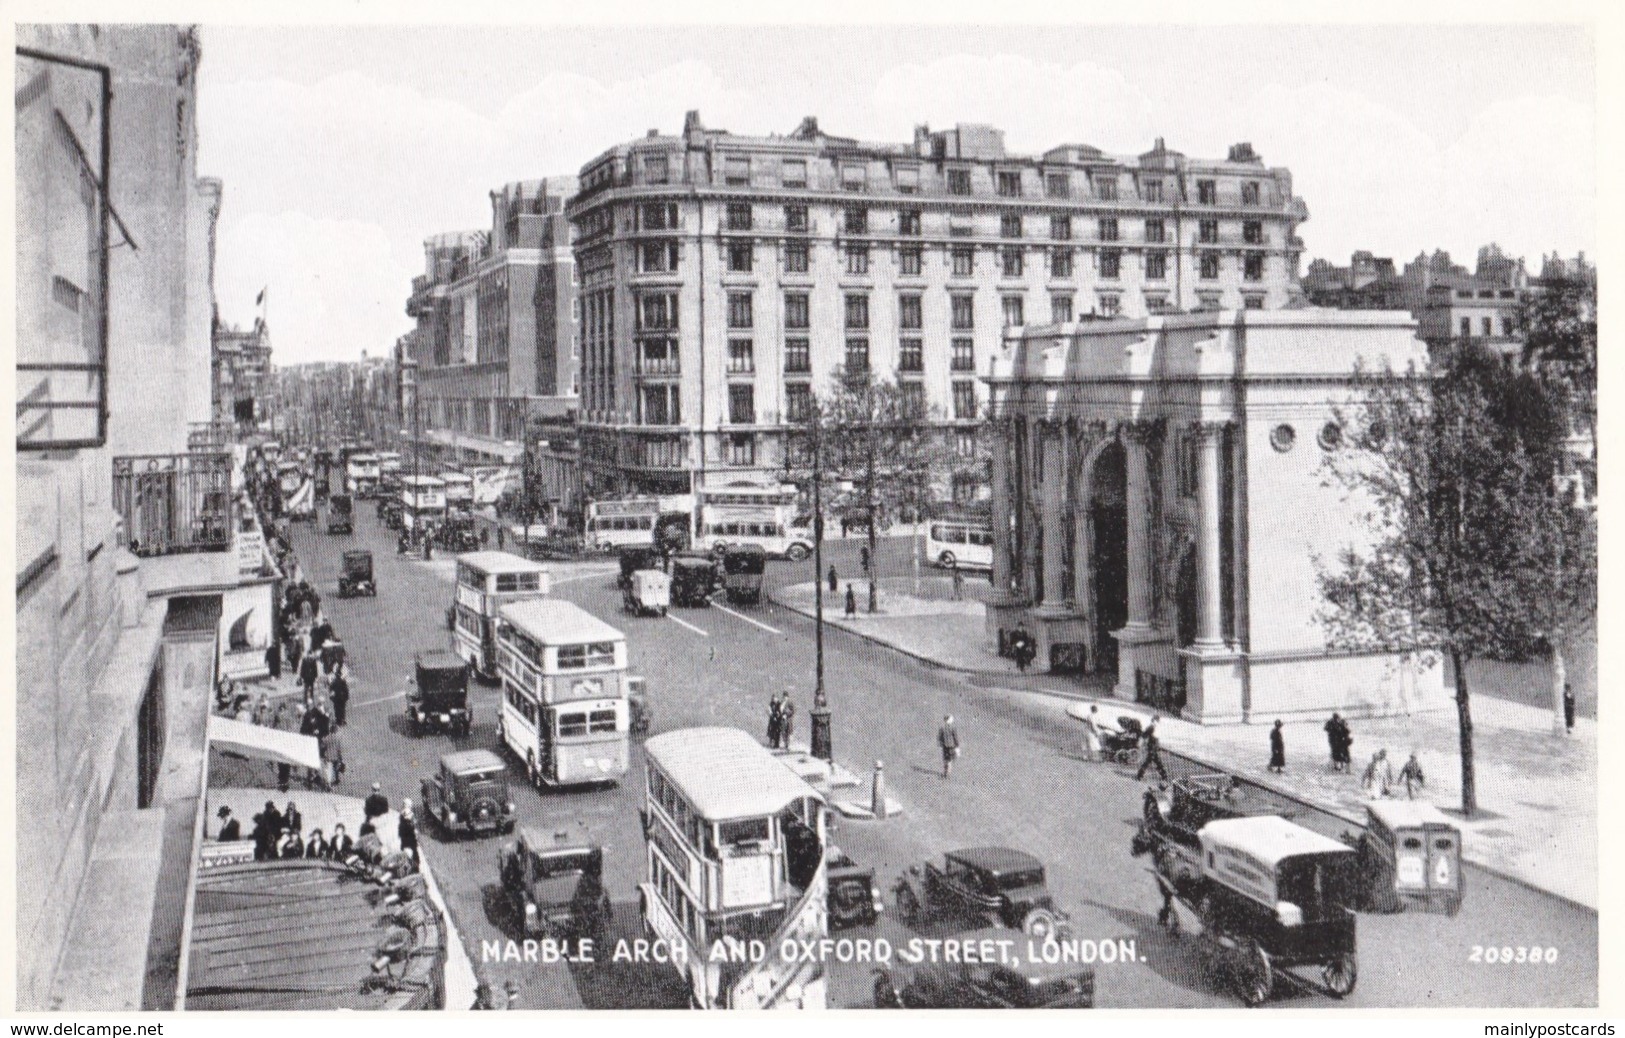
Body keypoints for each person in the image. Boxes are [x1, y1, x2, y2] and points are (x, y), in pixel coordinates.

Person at [1135, 715, 1168, 781]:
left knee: (1155, 761)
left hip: (1153, 747)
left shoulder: (1154, 727)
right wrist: (1141, 743)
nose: (1158, 722)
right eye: (1157, 720)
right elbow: (1144, 736)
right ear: (1154, 720)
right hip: (1151, 747)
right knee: (1150, 762)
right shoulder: (1151, 727)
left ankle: (1164, 775)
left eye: (1158, 720)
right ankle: (1140, 775)